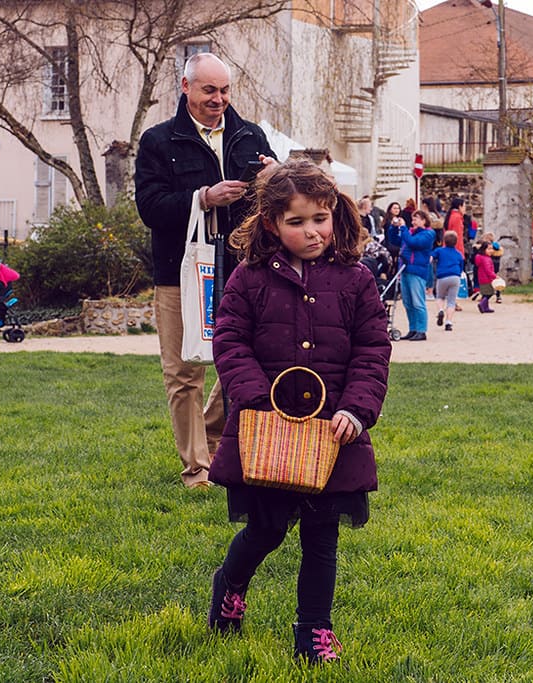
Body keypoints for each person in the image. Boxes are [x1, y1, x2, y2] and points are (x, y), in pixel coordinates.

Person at [207, 160, 390, 665]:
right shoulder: (248, 279)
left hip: (333, 433)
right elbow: (229, 341)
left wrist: (357, 408)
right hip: (269, 431)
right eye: (297, 222)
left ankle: (313, 631)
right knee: (266, 529)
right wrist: (255, 398)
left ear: (335, 215)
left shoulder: (355, 280)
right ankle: (230, 584)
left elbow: (373, 350)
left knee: (322, 536)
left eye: (320, 219)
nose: (312, 232)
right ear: (271, 224)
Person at [134, 52, 276, 489]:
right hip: (179, 273)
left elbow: (277, 201)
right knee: (184, 373)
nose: (219, 99)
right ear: (186, 87)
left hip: (242, 270)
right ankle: (196, 469)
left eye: (225, 90)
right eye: (209, 90)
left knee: (244, 358)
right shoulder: (158, 141)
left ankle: (212, 440)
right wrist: (203, 198)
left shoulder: (251, 136)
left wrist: (275, 176)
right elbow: (149, 208)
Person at [389, 209, 435, 340]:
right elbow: (394, 240)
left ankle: (421, 330)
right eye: (413, 219)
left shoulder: (428, 234)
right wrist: (393, 228)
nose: (413, 222)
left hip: (417, 271)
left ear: (424, 221)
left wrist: (403, 228)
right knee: (408, 303)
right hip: (404, 269)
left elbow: (413, 243)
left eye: (416, 219)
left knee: (417, 302)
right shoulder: (409, 233)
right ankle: (413, 329)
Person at [432, 230, 464, 332]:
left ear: (444, 241)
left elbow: (431, 258)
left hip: (442, 276)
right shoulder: (458, 254)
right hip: (455, 277)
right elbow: (461, 266)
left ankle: (440, 310)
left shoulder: (439, 251)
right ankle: (448, 322)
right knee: (451, 301)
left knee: (440, 297)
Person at [473, 240, 497, 313]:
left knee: (485, 293)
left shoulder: (480, 257)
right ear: (484, 249)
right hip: (487, 279)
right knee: (490, 293)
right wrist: (494, 276)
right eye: (489, 249)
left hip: (481, 278)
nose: (491, 251)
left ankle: (485, 307)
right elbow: (488, 270)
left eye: (491, 249)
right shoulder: (486, 259)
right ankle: (482, 304)